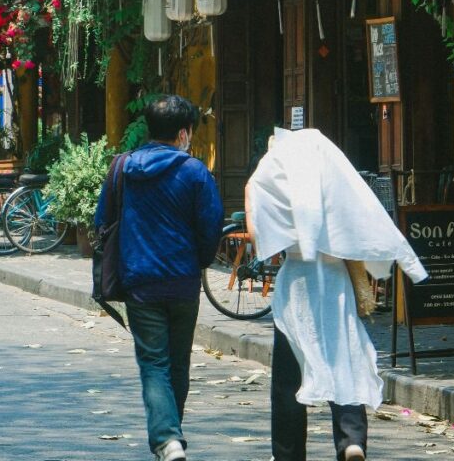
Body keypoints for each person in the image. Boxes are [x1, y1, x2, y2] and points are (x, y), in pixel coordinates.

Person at [245, 128, 427, 461]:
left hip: (296, 283)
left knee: (289, 375)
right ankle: (351, 439)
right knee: (344, 361)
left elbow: (260, 245)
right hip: (334, 282)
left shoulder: (275, 187)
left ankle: (287, 454)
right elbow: (367, 222)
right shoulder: (333, 187)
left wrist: (250, 194)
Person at [94, 95, 223, 461]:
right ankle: (171, 438)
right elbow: (210, 227)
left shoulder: (123, 167)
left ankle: (169, 440)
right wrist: (198, 260)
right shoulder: (195, 171)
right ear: (184, 133)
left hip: (140, 282)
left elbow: (102, 220)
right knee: (178, 362)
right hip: (182, 282)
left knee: (154, 363)